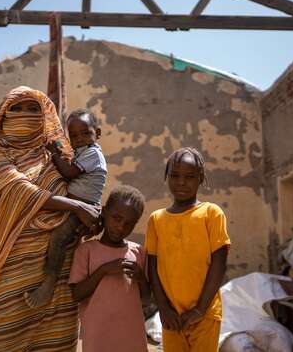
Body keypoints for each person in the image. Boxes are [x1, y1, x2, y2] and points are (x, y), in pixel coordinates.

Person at [0, 86, 101, 351]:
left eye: (33, 109)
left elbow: (82, 184)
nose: (26, 114)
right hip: (14, 255)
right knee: (5, 330)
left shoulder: (54, 153)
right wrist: (74, 207)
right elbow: (16, 188)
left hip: (60, 258)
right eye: (18, 108)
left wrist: (88, 212)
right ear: (4, 115)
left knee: (55, 334)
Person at [146, 147, 231, 352]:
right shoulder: (156, 220)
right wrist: (164, 309)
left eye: (189, 177)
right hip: (172, 316)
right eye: (174, 176)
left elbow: (219, 265)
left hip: (205, 314)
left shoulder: (211, 213)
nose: (181, 182)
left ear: (200, 178)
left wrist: (199, 310)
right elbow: (153, 269)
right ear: (167, 177)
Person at [25, 108, 108, 308]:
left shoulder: (93, 153)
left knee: (58, 238)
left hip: (83, 208)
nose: (80, 138)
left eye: (86, 133)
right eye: (75, 135)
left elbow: (69, 172)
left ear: (97, 133)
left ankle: (50, 280)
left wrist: (54, 154)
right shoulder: (82, 151)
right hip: (76, 205)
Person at [68, 185, 150, 352]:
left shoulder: (138, 253)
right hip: (98, 336)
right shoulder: (86, 250)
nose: (120, 227)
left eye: (128, 224)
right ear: (104, 212)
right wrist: (103, 270)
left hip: (131, 336)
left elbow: (147, 299)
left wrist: (141, 278)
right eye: (116, 218)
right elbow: (77, 294)